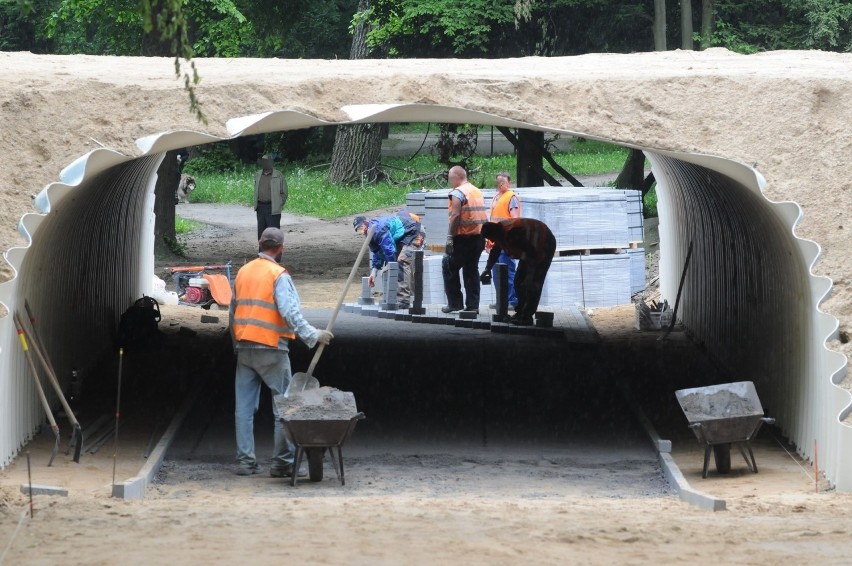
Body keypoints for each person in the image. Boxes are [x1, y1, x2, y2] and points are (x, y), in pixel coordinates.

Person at [229, 227, 334, 478]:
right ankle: (281, 464)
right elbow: (289, 312)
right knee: (284, 408)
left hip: (245, 348)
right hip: (272, 348)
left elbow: (232, 313)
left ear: (260, 244)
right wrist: (313, 335)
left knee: (243, 409)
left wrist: (236, 344)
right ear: (281, 248)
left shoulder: (243, 272)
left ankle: (245, 462)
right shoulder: (278, 275)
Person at [480, 218, 556, 326]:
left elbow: (531, 252)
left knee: (531, 284)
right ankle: (520, 312)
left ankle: (527, 317)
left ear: (495, 233)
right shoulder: (500, 233)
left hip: (543, 243)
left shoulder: (514, 233)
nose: (492, 241)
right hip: (530, 249)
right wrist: (487, 269)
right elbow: (495, 251)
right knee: (518, 281)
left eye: (491, 238)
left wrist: (531, 274)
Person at [353, 210, 424, 308]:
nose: (361, 231)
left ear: (366, 223)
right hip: (403, 237)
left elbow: (390, 251)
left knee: (401, 263)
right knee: (395, 265)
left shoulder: (378, 229)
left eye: (361, 227)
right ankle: (398, 297)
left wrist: (390, 265)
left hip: (414, 233)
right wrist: (374, 273)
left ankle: (404, 301)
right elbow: (378, 253)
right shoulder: (370, 235)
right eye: (359, 230)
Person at [442, 165, 488, 314]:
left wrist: (450, 238)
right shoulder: (476, 191)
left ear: (456, 177)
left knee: (448, 265)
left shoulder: (458, 193)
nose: (450, 181)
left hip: (463, 238)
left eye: (450, 178)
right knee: (471, 269)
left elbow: (455, 216)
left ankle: (455, 303)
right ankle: (473, 306)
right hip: (479, 237)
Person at [487, 171, 521, 310]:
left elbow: (514, 220)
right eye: (499, 182)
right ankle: (501, 299)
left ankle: (512, 300)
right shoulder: (496, 197)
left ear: (509, 183)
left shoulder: (511, 197)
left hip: (506, 241)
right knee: (497, 273)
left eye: (503, 182)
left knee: (508, 272)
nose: (501, 184)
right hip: (496, 242)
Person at [254, 154, 288, 240]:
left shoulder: (278, 175)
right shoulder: (258, 174)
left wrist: (278, 204)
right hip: (260, 207)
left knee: (274, 235)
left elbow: (284, 193)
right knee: (261, 235)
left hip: (272, 208)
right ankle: (262, 253)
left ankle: (275, 253)